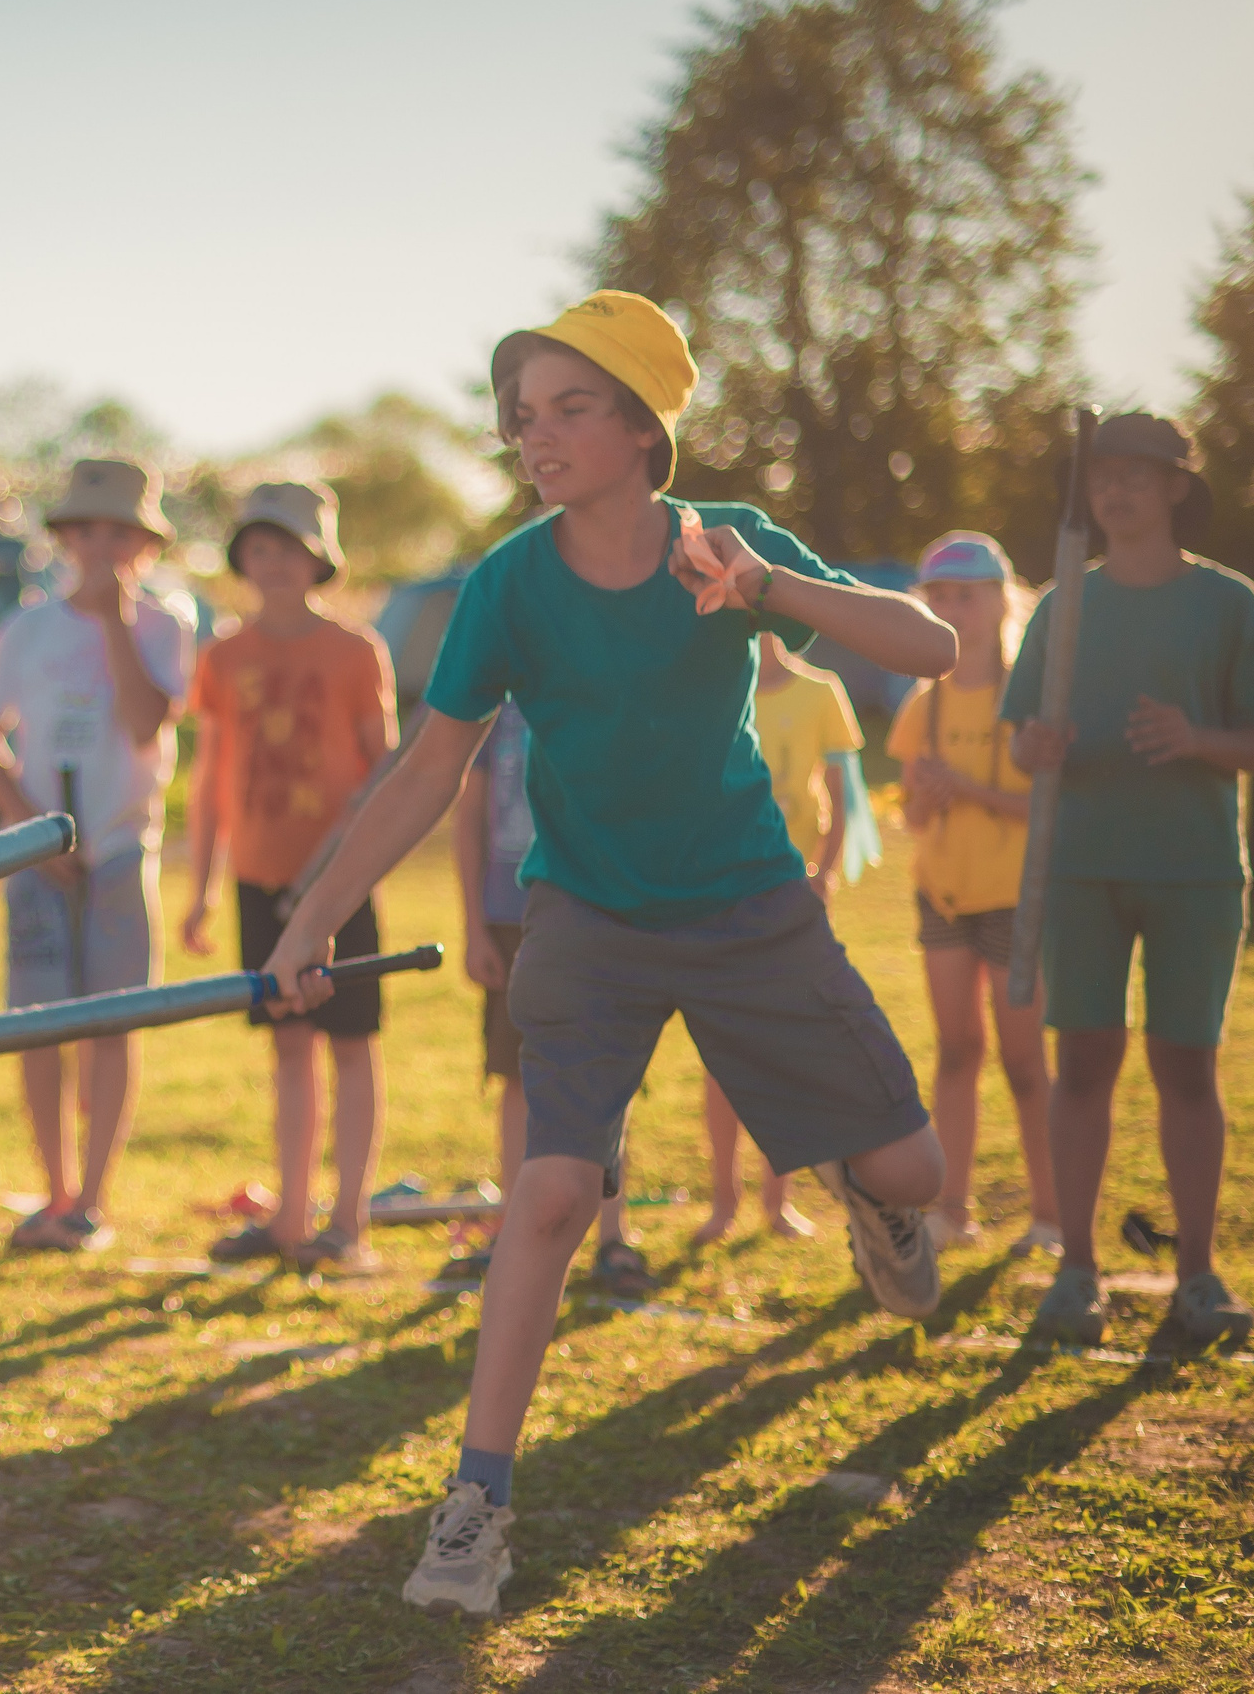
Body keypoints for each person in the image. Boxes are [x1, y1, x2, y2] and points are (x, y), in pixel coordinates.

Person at [261, 291, 954, 1619]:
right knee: (549, 1193)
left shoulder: (727, 543)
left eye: (570, 408)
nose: (537, 435)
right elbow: (428, 770)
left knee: (914, 1167)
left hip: (750, 907)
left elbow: (933, 647)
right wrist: (310, 921)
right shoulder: (508, 583)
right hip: (584, 916)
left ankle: (871, 1197)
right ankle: (475, 1502)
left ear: (644, 428)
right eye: (524, 414)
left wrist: (763, 588)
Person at [1006, 412, 1254, 1350]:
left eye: (1138, 474)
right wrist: (1038, 746)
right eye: (1103, 476)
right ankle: (1076, 1273)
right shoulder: (1062, 604)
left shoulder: (1229, 603)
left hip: (1195, 872)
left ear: (1177, 486)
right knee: (1084, 1061)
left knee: (1186, 1066)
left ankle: (1198, 1277)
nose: (1117, 490)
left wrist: (1195, 736)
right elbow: (1021, 741)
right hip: (1081, 867)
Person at [0, 459, 198, 1253]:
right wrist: (29, 826)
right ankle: (55, 1186)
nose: (102, 548)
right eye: (87, 531)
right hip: (40, 853)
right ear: (64, 539)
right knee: (39, 1024)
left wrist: (118, 622)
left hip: (123, 849)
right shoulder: (27, 627)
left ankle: (93, 1195)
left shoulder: (164, 623)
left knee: (113, 1021)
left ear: (146, 545)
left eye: (120, 534)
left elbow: (145, 723)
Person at [180, 482, 397, 1271]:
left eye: (291, 549)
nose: (274, 563)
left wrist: (352, 849)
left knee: (352, 1042)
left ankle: (349, 1223)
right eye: (260, 549)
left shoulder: (355, 650)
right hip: (261, 877)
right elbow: (211, 774)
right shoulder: (223, 655)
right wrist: (203, 887)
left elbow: (386, 766)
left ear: (319, 559)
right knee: (288, 1046)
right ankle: (290, 1220)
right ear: (243, 559)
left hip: (340, 881)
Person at [444, 698, 653, 1295]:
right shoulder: (496, 706)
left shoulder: (608, 692)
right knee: (516, 1074)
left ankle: (611, 1236)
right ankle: (515, 1226)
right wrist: (474, 926)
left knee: (605, 1076)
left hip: (596, 912)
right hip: (510, 916)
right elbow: (469, 814)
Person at [888, 532, 1057, 1256]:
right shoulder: (920, 705)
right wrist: (926, 800)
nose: (953, 609)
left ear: (1001, 600)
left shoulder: (1032, 697)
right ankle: (951, 1211)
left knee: (1025, 1065)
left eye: (967, 595)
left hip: (1017, 900)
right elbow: (912, 815)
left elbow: (1051, 808)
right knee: (956, 1052)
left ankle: (1050, 1218)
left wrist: (968, 789)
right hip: (944, 897)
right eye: (940, 597)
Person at [692, 632, 863, 1243]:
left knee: (785, 1050)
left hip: (794, 897)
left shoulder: (822, 692)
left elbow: (842, 800)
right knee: (723, 1055)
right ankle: (724, 1200)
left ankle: (778, 1200)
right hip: (724, 899)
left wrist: (824, 876)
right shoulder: (710, 692)